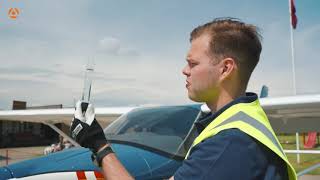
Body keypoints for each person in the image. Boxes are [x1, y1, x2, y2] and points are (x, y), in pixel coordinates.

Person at [70, 18, 297, 180]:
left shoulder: (228, 143)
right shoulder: (239, 124)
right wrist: (99, 143)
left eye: (193, 63)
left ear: (226, 68)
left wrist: (100, 147)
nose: (184, 70)